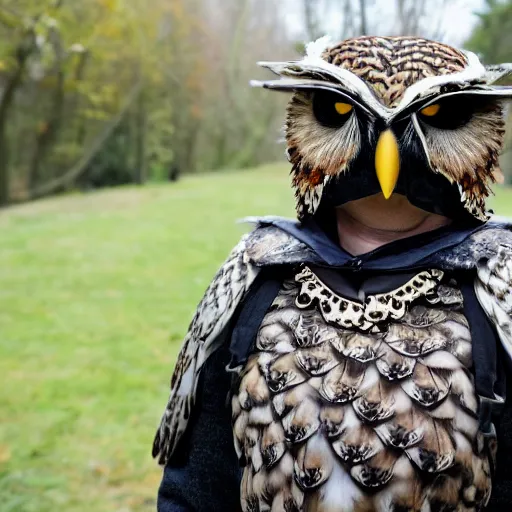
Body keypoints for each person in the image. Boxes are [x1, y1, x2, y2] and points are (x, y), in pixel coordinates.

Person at [153, 36, 512, 511]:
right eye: (336, 111)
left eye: (441, 117)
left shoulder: (500, 285)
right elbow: (196, 489)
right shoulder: (258, 273)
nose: (386, 158)